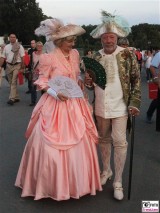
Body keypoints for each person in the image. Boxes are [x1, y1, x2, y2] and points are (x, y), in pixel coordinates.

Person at [15, 21, 102, 201]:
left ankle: (78, 184)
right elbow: (41, 81)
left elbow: (75, 77)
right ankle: (49, 186)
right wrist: (55, 92)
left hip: (75, 103)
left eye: (73, 40)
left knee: (81, 139)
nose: (73, 44)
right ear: (60, 41)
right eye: (70, 41)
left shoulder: (76, 55)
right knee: (48, 142)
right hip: (55, 104)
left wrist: (82, 83)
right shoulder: (48, 58)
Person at [84, 10, 141, 200]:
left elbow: (136, 81)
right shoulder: (94, 57)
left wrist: (134, 103)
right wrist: (88, 83)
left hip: (121, 107)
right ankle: (105, 171)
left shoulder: (127, 55)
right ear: (100, 39)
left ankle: (118, 181)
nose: (108, 41)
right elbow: (91, 83)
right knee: (103, 140)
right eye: (105, 37)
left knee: (120, 142)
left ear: (117, 37)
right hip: (100, 106)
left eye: (111, 37)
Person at [0, 33, 25, 105]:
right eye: (11, 37)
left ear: (16, 38)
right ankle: (16, 97)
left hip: (17, 65)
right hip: (8, 65)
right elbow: (2, 57)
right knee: (11, 82)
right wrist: (0, 66)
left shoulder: (19, 47)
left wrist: (22, 67)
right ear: (9, 38)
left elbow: (23, 57)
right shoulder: (6, 47)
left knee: (13, 81)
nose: (12, 38)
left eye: (14, 37)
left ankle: (11, 98)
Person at [148, 49, 160, 131]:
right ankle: (149, 113)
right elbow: (152, 66)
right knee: (157, 100)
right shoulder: (159, 54)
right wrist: (155, 77)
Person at [29, 41, 44, 106]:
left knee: (43, 87)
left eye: (40, 46)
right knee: (33, 87)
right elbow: (31, 62)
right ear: (36, 47)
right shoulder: (33, 53)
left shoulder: (45, 54)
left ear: (42, 47)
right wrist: (30, 69)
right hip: (35, 72)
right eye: (38, 46)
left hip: (42, 73)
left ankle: (43, 101)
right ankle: (33, 101)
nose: (39, 47)